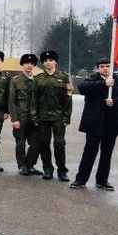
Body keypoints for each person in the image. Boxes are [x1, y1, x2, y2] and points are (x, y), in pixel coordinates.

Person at [70, 60, 118, 190]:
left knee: (107, 154)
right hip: (94, 123)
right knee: (89, 152)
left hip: (112, 123)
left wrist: (115, 101)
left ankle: (102, 180)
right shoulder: (92, 80)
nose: (105, 69)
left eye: (108, 66)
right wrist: (103, 84)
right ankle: (81, 179)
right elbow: (82, 88)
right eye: (102, 66)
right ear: (97, 68)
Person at [27, 50, 73, 181]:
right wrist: (34, 116)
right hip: (43, 117)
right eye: (46, 61)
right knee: (44, 144)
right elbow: (34, 99)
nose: (48, 63)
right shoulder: (38, 78)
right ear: (43, 63)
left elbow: (68, 98)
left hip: (58, 117)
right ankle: (47, 169)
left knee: (59, 144)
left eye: (51, 60)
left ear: (55, 62)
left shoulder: (64, 77)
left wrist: (67, 116)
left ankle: (62, 171)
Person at [9, 54, 42, 176]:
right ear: (22, 65)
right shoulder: (15, 80)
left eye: (32, 64)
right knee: (20, 143)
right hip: (21, 117)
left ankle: (30, 165)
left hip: (34, 118)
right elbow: (11, 101)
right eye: (27, 63)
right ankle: (22, 166)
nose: (29, 65)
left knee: (36, 143)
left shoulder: (37, 81)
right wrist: (14, 119)